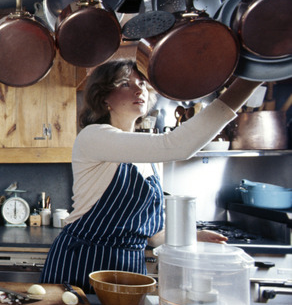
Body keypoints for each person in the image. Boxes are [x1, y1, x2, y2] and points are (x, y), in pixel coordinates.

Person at [39, 59, 262, 292]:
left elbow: (154, 235)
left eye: (143, 84)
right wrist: (250, 80)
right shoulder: (94, 137)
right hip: (83, 262)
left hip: (130, 271)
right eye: (125, 84)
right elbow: (179, 145)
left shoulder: (151, 156)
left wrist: (193, 235)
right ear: (103, 97)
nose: (139, 90)